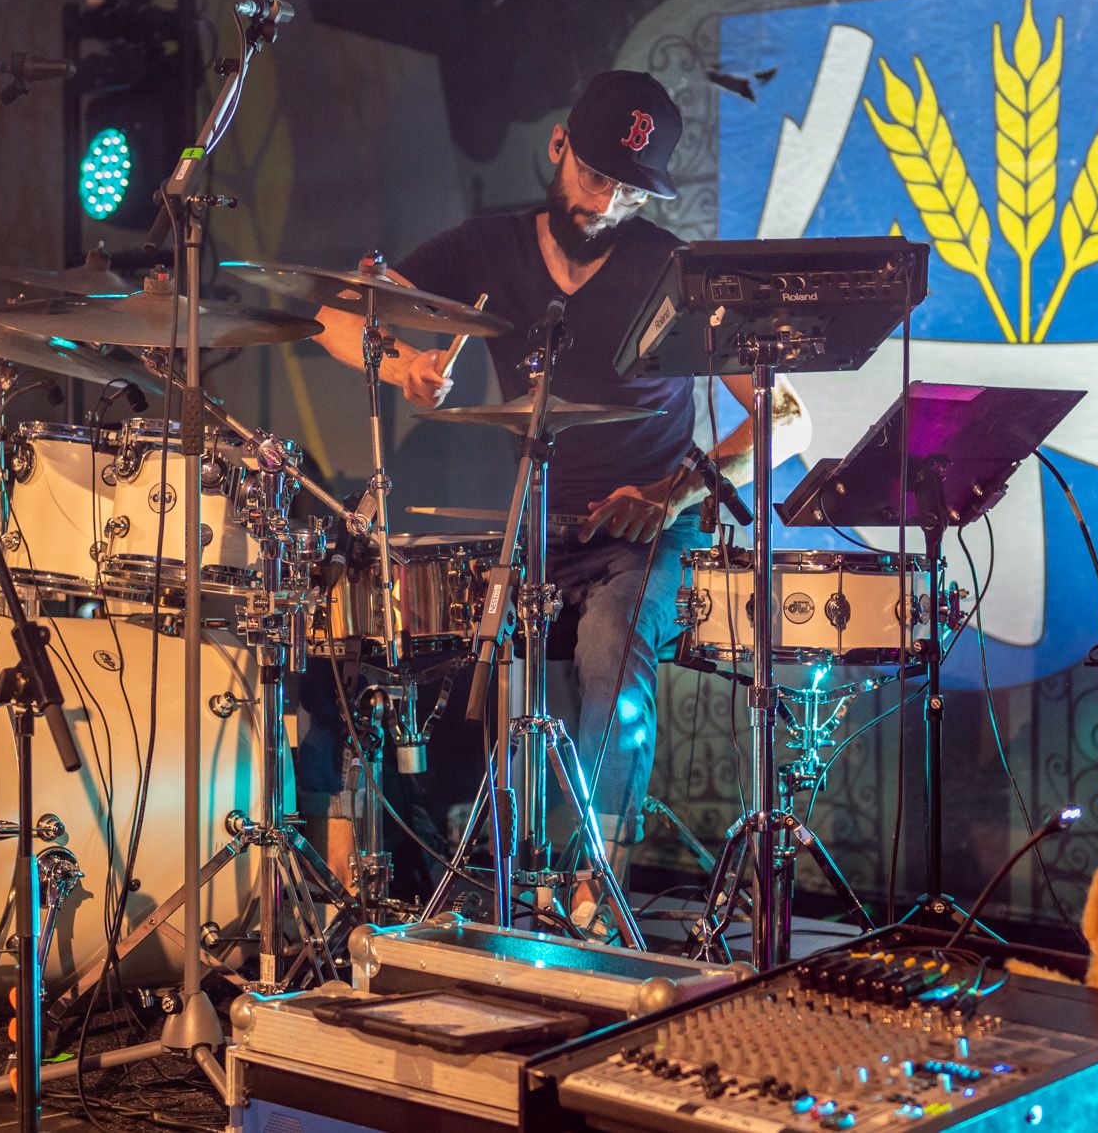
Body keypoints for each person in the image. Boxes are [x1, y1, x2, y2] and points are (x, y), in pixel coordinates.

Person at [311, 70, 808, 925]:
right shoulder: (488, 247)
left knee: (610, 641)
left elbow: (788, 416)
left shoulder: (672, 268)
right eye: (595, 175)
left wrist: (674, 491)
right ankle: (461, 865)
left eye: (629, 190)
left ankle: (594, 883)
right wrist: (403, 366)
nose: (607, 202)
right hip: (536, 529)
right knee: (427, 640)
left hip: (648, 535)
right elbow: (334, 315)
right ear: (558, 146)